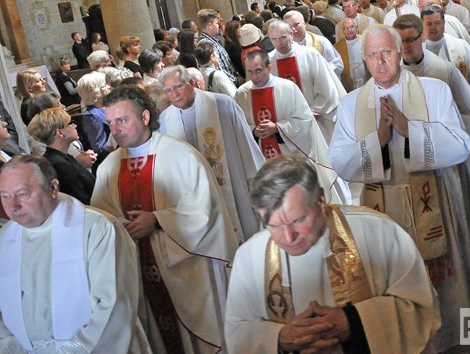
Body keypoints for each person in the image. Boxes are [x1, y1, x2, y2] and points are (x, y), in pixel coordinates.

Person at [328, 24, 470, 353]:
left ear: (399, 53)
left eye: (386, 52)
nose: (380, 61)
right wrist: (377, 142)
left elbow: (459, 146)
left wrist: (407, 128)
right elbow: (340, 162)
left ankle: (452, 345)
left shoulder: (433, 90)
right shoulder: (351, 104)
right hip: (382, 216)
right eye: (372, 55)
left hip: (432, 205)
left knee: (448, 292)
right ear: (364, 60)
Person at [225, 155, 440, 354]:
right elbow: (237, 330)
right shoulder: (250, 256)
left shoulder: (378, 231)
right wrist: (279, 338)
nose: (288, 237)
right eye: (274, 225)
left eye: (298, 220)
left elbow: (422, 309)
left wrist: (354, 323)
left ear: (320, 199)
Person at [91, 85, 237, 353]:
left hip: (185, 273)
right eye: (110, 122)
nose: (115, 129)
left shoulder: (179, 154)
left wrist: (158, 219)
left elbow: (204, 210)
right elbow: (101, 218)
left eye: (122, 120)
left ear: (145, 117)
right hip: (139, 271)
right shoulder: (109, 166)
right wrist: (122, 226)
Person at [0, 155, 150, 353]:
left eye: (23, 194)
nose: (13, 206)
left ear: (53, 188)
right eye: (5, 196)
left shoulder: (97, 228)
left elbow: (114, 305)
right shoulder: (5, 238)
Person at [158, 65, 265, 242]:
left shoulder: (223, 104)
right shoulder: (165, 120)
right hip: (197, 196)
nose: (174, 94)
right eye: (168, 90)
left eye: (178, 86)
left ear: (191, 83)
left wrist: (257, 184)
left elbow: (247, 148)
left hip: (234, 185)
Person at [236, 50, 350, 205]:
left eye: (258, 71)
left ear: (269, 68)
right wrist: (253, 131)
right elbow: (238, 126)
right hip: (262, 160)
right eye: (249, 72)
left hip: (291, 158)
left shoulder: (288, 88)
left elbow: (304, 121)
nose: (254, 77)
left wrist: (278, 128)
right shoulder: (241, 94)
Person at [268, 20, 346, 143]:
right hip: (287, 128)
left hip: (316, 120)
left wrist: (307, 115)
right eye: (274, 39)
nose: (279, 43)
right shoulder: (269, 61)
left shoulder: (310, 55)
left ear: (291, 34)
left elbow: (327, 91)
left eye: (283, 37)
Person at [27, 108, 96, 205]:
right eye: (69, 123)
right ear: (59, 133)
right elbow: (80, 201)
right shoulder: (59, 164)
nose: (74, 126)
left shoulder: (61, 157)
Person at [283, 10, 344, 77]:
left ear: (304, 23)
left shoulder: (321, 41)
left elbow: (338, 64)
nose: (293, 29)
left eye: (296, 24)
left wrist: (319, 71)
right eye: (289, 26)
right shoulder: (283, 49)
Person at [77, 72, 111, 170]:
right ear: (96, 92)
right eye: (104, 86)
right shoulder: (91, 115)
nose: (108, 86)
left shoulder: (106, 107)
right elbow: (99, 147)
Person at [334, 17, 368, 91]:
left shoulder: (365, 41)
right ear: (342, 31)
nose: (349, 30)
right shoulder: (337, 47)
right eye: (346, 28)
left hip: (366, 80)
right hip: (349, 84)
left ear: (356, 28)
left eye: (352, 27)